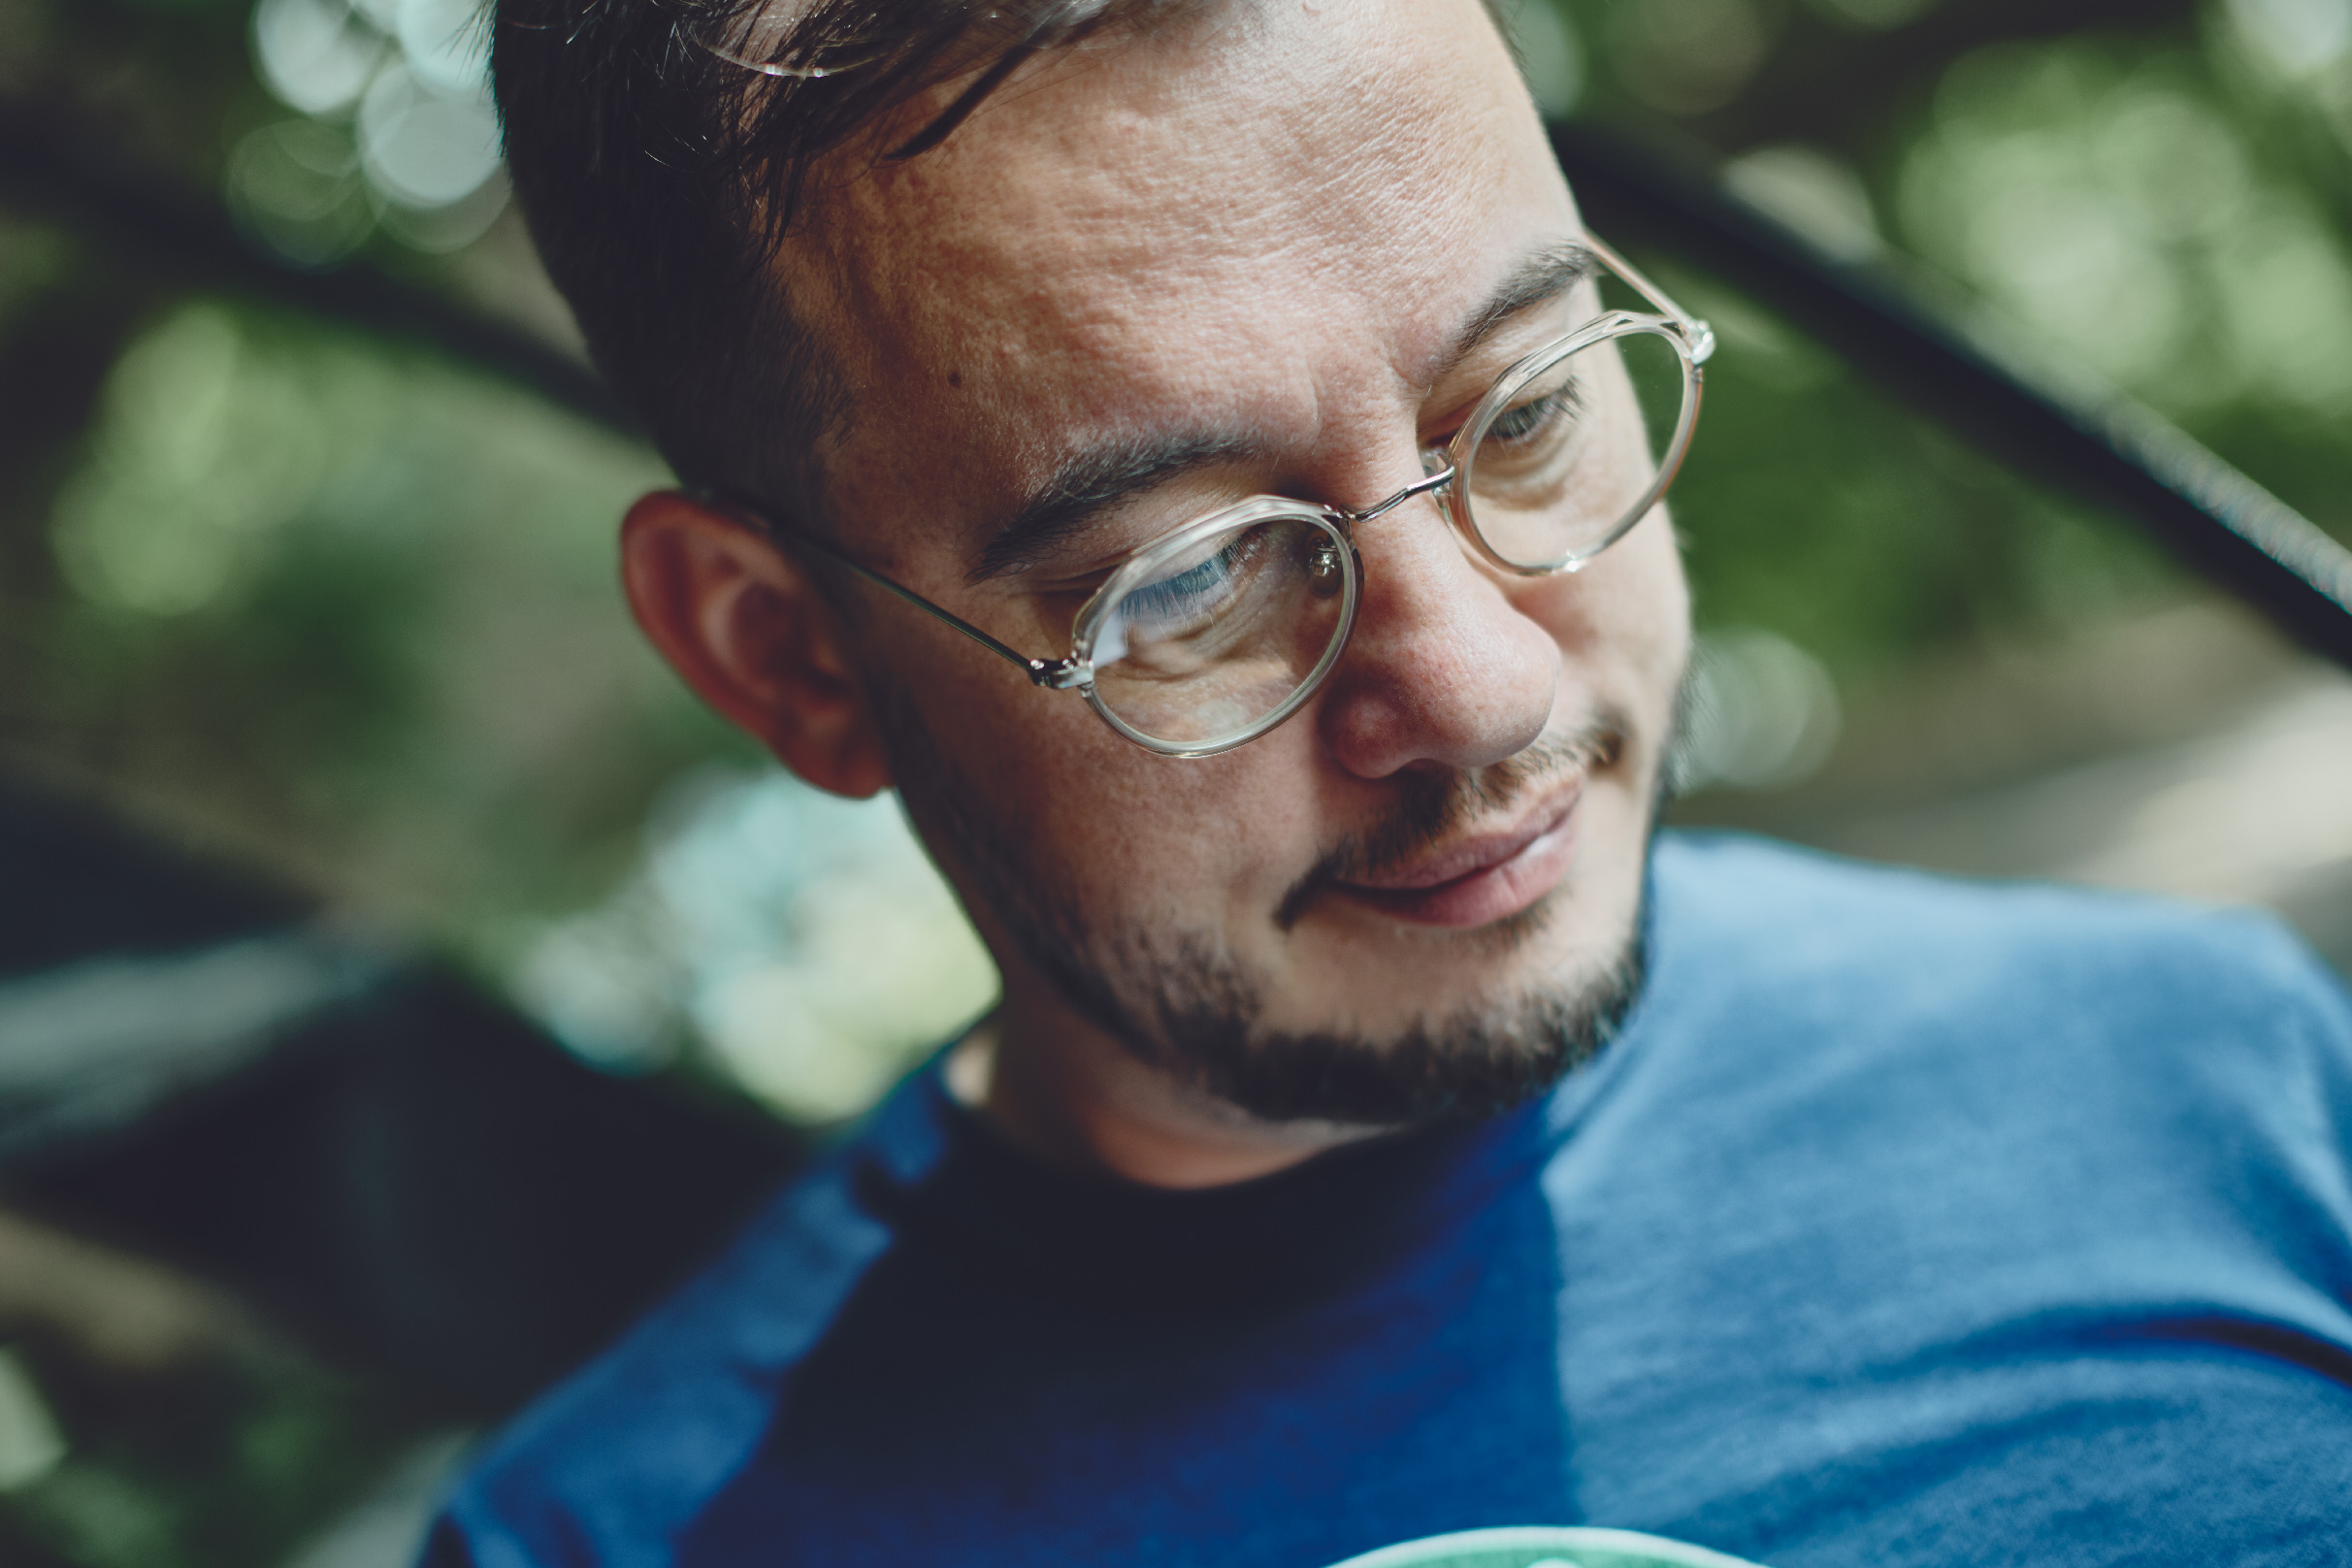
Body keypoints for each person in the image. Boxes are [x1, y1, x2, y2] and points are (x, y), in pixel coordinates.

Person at [422, 2, 2352, 1563]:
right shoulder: (610, 1545)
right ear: (787, 656)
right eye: (1192, 580)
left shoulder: (2205, 1068)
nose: (1483, 689)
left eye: (1526, 409)